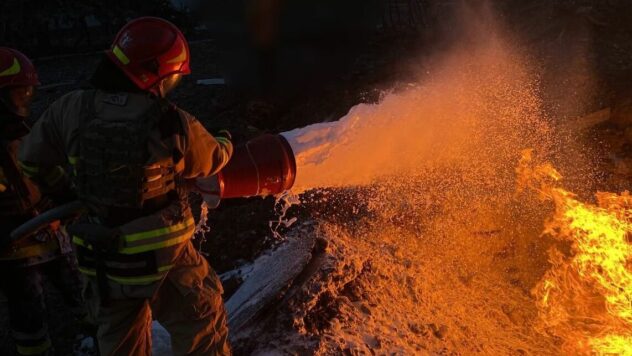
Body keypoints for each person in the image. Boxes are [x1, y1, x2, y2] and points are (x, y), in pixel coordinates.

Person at [18, 18, 233, 355]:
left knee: (119, 344)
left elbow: (29, 161)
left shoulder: (71, 107)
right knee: (202, 324)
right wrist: (225, 141)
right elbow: (211, 160)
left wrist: (66, 193)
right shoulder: (170, 120)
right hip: (165, 259)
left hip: (102, 260)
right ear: (156, 74)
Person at [0, 47, 83, 356]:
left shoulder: (25, 134)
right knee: (29, 317)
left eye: (28, 91)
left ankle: (101, 342)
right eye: (19, 92)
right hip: (14, 253)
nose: (25, 99)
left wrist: (71, 198)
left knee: (83, 297)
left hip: (51, 234)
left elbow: (51, 173)